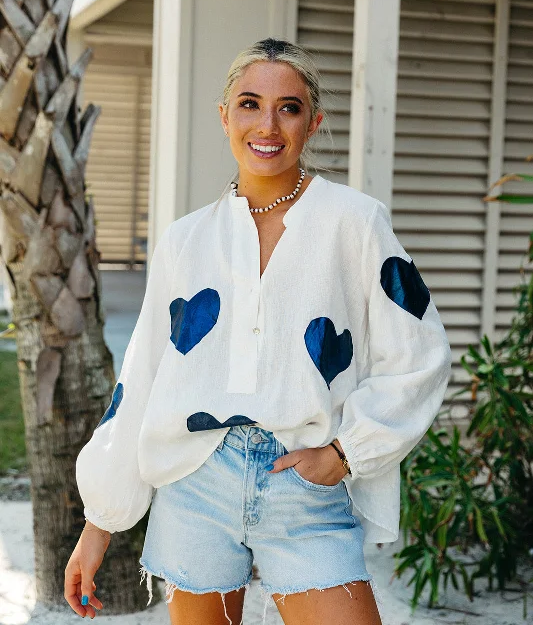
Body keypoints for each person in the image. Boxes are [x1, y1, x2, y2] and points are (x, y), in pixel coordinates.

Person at [64, 37, 452, 625]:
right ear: (225, 116)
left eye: (289, 108)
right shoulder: (186, 241)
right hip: (195, 481)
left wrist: (347, 454)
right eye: (249, 103)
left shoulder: (354, 223)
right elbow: (142, 380)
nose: (267, 124)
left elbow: (421, 354)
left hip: (305, 480)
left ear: (312, 122)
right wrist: (98, 525)